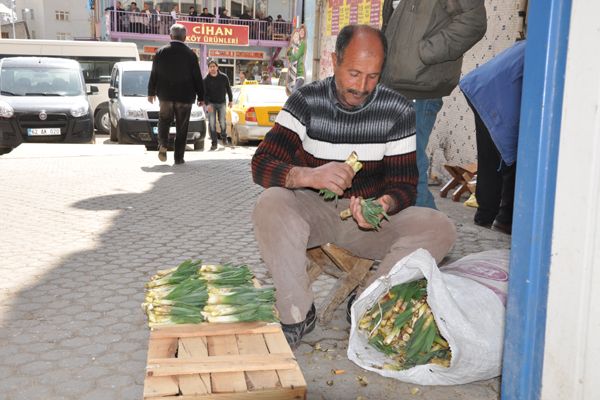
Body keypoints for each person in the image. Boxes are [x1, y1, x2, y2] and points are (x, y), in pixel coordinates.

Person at [251, 25, 456, 348]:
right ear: (334, 61)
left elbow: (405, 184)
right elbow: (261, 165)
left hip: (367, 221)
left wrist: (383, 205)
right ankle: (296, 312)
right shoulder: (306, 101)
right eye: (354, 73)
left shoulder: (397, 110)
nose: (361, 87)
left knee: (438, 226)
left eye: (373, 76)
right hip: (312, 212)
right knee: (271, 202)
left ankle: (366, 299)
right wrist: (309, 176)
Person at [380, 0, 487, 210]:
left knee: (409, 165)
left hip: (419, 88)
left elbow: (473, 23)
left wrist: (425, 52)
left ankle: (425, 233)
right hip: (392, 86)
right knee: (394, 164)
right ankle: (410, 229)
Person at [459, 40, 526, 235]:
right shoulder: (561, 46)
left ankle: (487, 216)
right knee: (511, 157)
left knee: (496, 157)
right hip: (493, 94)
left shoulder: (547, 38)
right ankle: (501, 219)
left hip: (483, 86)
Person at [148, 24, 205, 164]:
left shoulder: (160, 52)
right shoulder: (191, 54)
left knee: (164, 120)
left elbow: (154, 73)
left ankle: (163, 144)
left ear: (170, 36)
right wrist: (201, 96)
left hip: (165, 96)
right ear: (185, 38)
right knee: (182, 126)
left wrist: (151, 92)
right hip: (185, 98)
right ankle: (179, 158)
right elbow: (197, 77)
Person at [203, 59, 233, 151]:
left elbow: (228, 89)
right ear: (208, 68)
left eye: (214, 66)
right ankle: (214, 143)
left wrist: (231, 100)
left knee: (222, 122)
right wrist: (207, 104)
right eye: (210, 67)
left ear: (217, 67)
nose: (212, 68)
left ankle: (224, 137)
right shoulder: (206, 80)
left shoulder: (224, 77)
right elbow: (204, 94)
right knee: (212, 124)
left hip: (222, 103)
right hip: (211, 104)